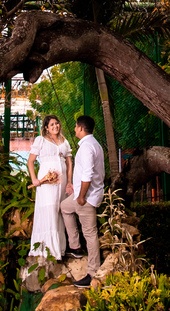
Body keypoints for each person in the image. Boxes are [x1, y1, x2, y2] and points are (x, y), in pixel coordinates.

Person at [60, 114, 104, 287]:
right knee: (64, 207)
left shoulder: (87, 148)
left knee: (90, 233)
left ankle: (93, 273)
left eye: (76, 126)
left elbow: (87, 176)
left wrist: (80, 197)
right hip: (82, 195)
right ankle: (75, 246)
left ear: (80, 128)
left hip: (86, 198)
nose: (75, 128)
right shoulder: (93, 144)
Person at [27, 115, 73, 260]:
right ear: (46, 127)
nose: (55, 126)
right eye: (52, 124)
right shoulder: (40, 140)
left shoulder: (64, 141)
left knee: (60, 210)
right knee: (50, 209)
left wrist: (69, 181)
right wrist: (34, 179)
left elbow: (69, 163)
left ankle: (59, 248)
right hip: (47, 183)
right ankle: (47, 249)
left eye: (57, 123)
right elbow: (30, 161)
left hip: (62, 181)